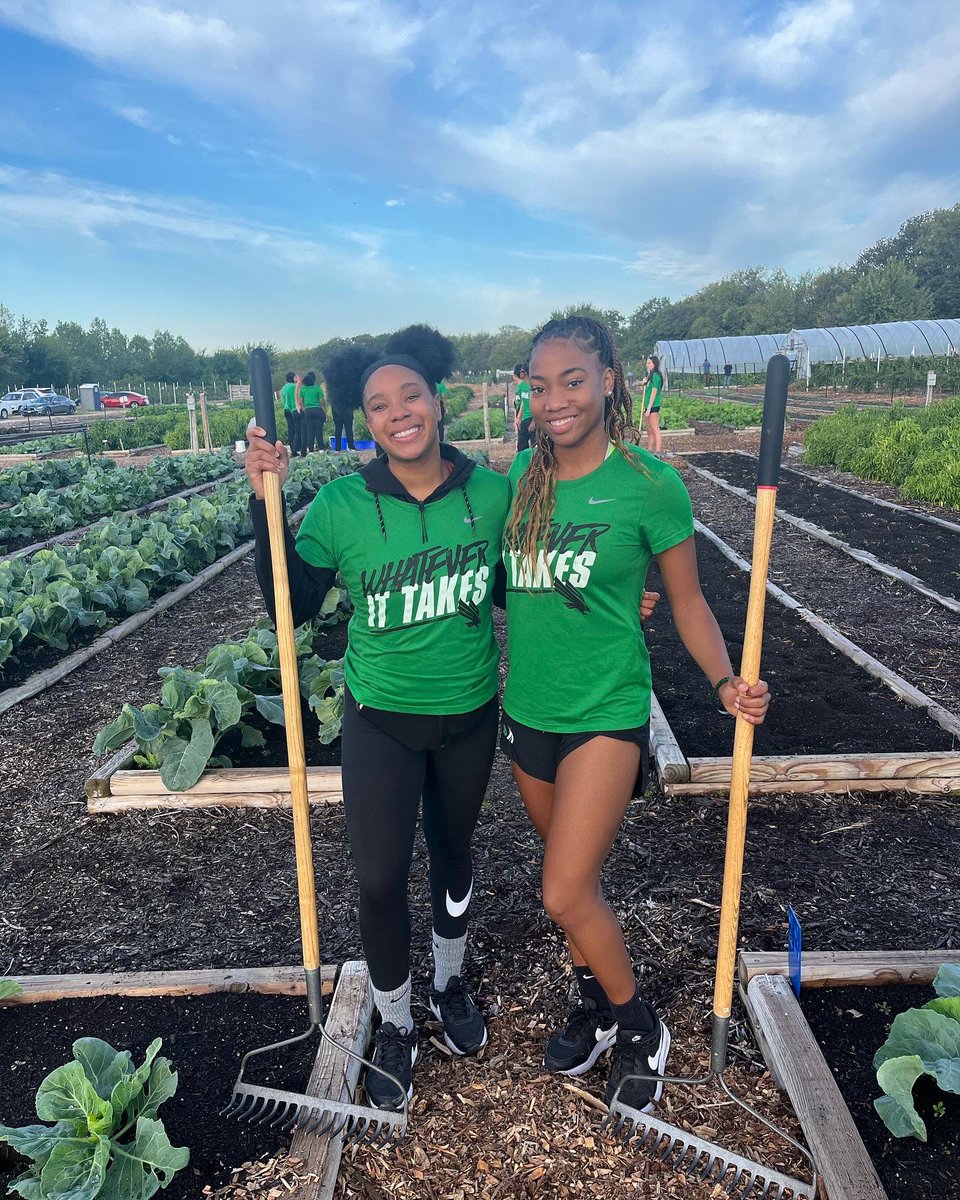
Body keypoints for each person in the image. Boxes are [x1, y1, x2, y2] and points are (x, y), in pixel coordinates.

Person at [500, 314, 770, 1116]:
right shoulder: (518, 478)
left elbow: (686, 602)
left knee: (561, 890)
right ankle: (594, 1003)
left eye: (572, 380)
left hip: (606, 713)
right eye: (540, 386)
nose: (555, 400)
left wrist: (725, 682)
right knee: (571, 883)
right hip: (529, 714)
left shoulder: (652, 484)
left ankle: (639, 1023)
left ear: (611, 378)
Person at [244, 325, 511, 1113]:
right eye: (378, 405)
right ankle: (396, 1020)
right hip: (380, 719)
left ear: (436, 398)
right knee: (379, 874)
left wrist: (605, 597)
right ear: (363, 418)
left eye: (411, 396)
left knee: (454, 854)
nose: (399, 413)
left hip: (468, 714)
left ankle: (450, 980)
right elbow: (284, 600)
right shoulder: (343, 504)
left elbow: (510, 590)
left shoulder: (490, 494)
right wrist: (266, 500)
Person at [298, 371, 327, 452]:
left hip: (308, 411)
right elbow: (322, 402)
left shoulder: (303, 389)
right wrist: (325, 413)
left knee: (310, 432)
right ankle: (321, 449)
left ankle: (310, 450)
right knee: (319, 431)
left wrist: (305, 409)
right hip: (318, 410)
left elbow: (300, 402)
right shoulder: (317, 388)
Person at [641, 353, 664, 455]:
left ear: (654, 364)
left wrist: (649, 408)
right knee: (649, 430)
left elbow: (654, 392)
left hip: (653, 406)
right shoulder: (650, 376)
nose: (647, 365)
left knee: (655, 429)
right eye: (647, 363)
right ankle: (649, 450)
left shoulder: (656, 376)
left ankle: (658, 452)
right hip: (647, 406)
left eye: (649, 363)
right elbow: (647, 391)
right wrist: (644, 384)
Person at [280, 371, 304, 457]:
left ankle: (292, 447)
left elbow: (283, 400)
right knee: (298, 430)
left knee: (290, 429)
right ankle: (297, 448)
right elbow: (297, 398)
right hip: (294, 409)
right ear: (293, 378)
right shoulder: (294, 387)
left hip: (286, 409)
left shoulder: (283, 388)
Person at [513, 362, 533, 453]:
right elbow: (523, 402)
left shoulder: (533, 385)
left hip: (532, 418)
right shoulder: (523, 385)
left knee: (535, 446)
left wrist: (534, 421)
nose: (519, 373)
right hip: (525, 418)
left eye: (521, 371)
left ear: (525, 372)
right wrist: (519, 418)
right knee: (521, 447)